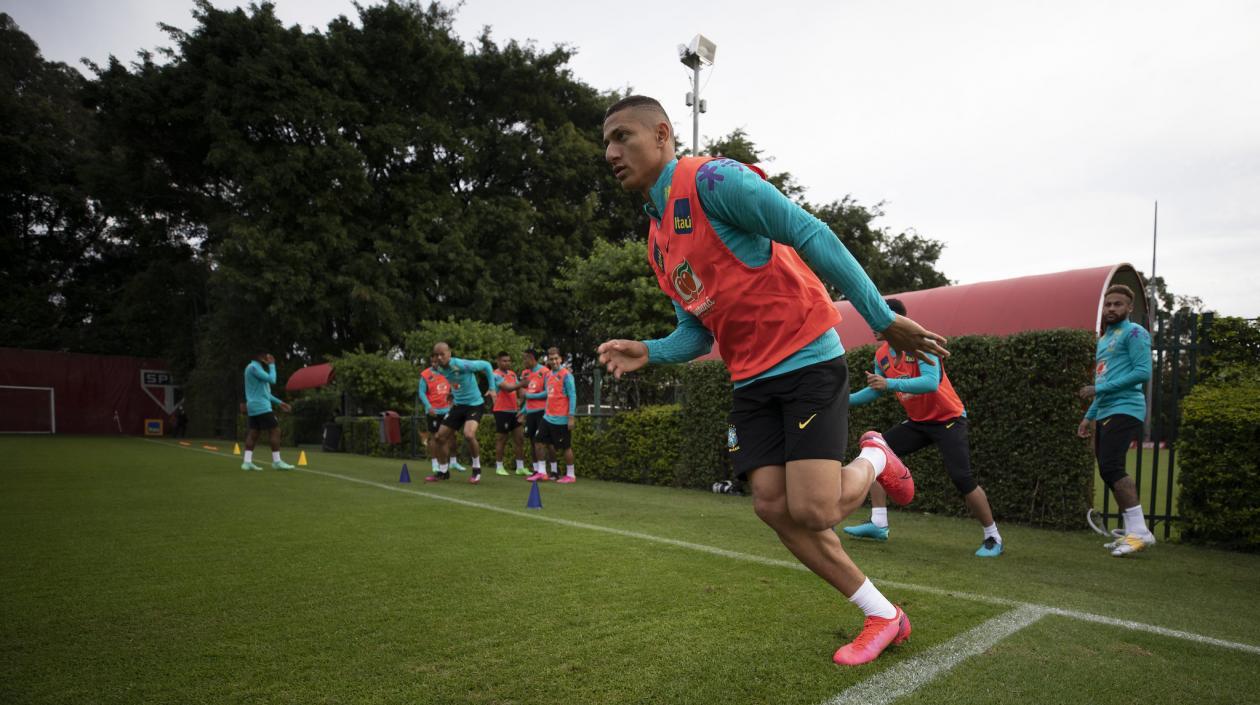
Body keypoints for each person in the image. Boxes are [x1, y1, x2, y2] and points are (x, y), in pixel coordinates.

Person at [596, 95, 949, 666]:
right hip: (750, 381)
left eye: (623, 137)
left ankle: (876, 458)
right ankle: (884, 614)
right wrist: (652, 351)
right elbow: (697, 332)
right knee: (770, 505)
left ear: (663, 134)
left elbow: (811, 233)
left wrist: (882, 318)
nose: (612, 152)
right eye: (607, 143)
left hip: (807, 359)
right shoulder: (657, 241)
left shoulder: (714, 181)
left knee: (815, 509)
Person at [842, 298, 1003, 557]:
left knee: (962, 478)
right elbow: (876, 389)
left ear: (895, 322)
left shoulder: (922, 345)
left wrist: (889, 385)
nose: (872, 324)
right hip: (919, 422)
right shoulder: (881, 356)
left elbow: (930, 383)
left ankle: (992, 537)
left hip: (949, 420)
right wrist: (841, 402)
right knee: (875, 452)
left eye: (877, 318)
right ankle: (879, 524)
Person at [1078, 284, 1155, 557]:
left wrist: (1100, 390)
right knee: (1107, 470)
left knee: (1112, 467)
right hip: (1107, 410)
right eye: (1108, 304)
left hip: (1127, 407)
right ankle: (1135, 531)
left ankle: (1139, 533)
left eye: (1118, 304)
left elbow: (1143, 372)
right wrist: (1089, 417)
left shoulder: (1135, 332)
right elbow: (1105, 381)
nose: (1112, 309)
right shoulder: (1105, 338)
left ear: (1129, 308)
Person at [425, 342, 498, 485]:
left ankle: (476, 469)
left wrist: (492, 388)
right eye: (436, 355)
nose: (439, 358)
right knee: (439, 437)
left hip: (474, 405)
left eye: (442, 354)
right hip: (458, 406)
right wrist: (452, 393)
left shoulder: (462, 364)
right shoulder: (438, 369)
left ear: (449, 354)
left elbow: (487, 365)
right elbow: (455, 382)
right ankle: (443, 472)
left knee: (469, 434)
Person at [527, 347, 577, 483]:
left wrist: (571, 417)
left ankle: (571, 475)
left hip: (561, 418)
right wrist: (530, 396)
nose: (554, 361)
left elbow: (572, 395)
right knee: (538, 441)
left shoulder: (567, 375)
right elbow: (548, 394)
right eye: (551, 359)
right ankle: (542, 472)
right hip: (547, 417)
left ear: (561, 359)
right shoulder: (548, 375)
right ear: (548, 360)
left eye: (556, 358)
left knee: (565, 447)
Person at [241, 351, 294, 471]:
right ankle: (277, 462)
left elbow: (266, 394)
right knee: (275, 430)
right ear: (259, 356)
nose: (268, 357)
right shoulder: (253, 367)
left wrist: (280, 402)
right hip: (261, 407)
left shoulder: (256, 369)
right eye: (266, 356)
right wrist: (272, 365)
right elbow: (272, 379)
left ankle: (247, 462)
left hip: (254, 406)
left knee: (254, 433)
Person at [418, 354, 461, 479]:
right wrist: (428, 406)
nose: (434, 364)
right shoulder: (425, 374)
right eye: (432, 362)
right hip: (433, 411)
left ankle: (447, 464)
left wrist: (454, 398)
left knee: (447, 438)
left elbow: (455, 387)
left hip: (447, 410)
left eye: (437, 362)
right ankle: (435, 463)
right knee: (434, 437)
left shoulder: (448, 373)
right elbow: (421, 392)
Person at [490, 351, 528, 476]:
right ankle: (499, 466)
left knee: (520, 438)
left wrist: (522, 397)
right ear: (498, 361)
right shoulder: (495, 374)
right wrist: (522, 383)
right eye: (504, 361)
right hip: (501, 411)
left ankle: (520, 467)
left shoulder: (512, 374)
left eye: (508, 361)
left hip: (514, 411)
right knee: (502, 439)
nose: (507, 363)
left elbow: (519, 389)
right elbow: (507, 388)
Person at [517, 348, 552, 477]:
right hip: (530, 413)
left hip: (542, 412)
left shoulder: (545, 371)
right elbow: (526, 394)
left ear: (531, 358)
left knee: (540, 441)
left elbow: (548, 392)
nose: (523, 361)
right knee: (532, 441)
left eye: (525, 358)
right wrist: (523, 411)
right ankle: (536, 470)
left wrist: (531, 397)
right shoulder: (526, 373)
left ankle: (545, 471)